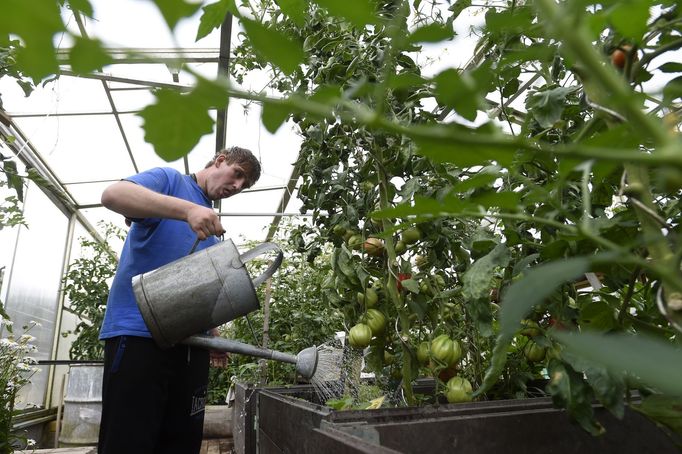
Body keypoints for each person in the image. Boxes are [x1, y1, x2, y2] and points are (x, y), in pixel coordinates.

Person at [97, 146, 261, 454]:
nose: (238, 186)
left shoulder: (209, 230)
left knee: (181, 442)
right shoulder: (170, 182)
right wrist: (187, 210)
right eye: (238, 174)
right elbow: (113, 194)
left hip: (190, 347)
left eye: (245, 185)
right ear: (220, 160)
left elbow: (198, 291)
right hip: (139, 337)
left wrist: (213, 334)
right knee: (129, 441)